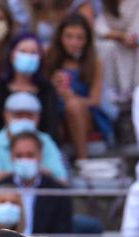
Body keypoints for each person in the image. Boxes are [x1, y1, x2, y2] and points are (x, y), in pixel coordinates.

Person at [44, 14, 110, 159]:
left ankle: (82, 159)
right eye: (69, 37)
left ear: (87, 40)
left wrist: (71, 97)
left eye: (79, 38)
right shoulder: (49, 56)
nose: (74, 42)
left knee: (72, 106)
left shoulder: (95, 62)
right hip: (55, 111)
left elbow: (94, 100)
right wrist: (51, 86)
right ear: (60, 37)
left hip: (84, 114)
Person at [0, 91, 68, 185]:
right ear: (6, 115)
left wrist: (39, 172)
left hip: (38, 198)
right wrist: (20, 172)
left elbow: (62, 180)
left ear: (38, 117)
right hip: (0, 199)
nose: (24, 119)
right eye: (19, 115)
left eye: (29, 115)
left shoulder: (46, 141)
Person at [0, 131, 73, 235]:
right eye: (19, 156)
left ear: (40, 156)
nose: (24, 160)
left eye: (30, 155)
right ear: (11, 157)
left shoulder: (58, 192)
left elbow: (63, 232)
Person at [0, 33, 59, 134]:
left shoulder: (47, 89)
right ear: (12, 55)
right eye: (23, 51)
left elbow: (51, 127)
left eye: (33, 53)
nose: (28, 56)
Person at [94, 0, 139, 106]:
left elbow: (137, 31)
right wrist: (118, 36)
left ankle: (131, 91)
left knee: (136, 49)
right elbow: (98, 27)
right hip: (103, 41)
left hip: (129, 43)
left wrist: (127, 38)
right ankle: (108, 90)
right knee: (108, 47)